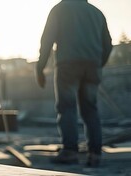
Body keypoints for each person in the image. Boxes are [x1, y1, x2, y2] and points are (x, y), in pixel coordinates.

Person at [36, 0, 112, 167]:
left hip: (68, 65)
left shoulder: (59, 9)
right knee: (90, 109)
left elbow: (47, 40)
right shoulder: (96, 13)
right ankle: (95, 154)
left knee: (67, 106)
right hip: (92, 65)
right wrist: (98, 64)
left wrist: (40, 67)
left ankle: (70, 151)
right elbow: (107, 44)